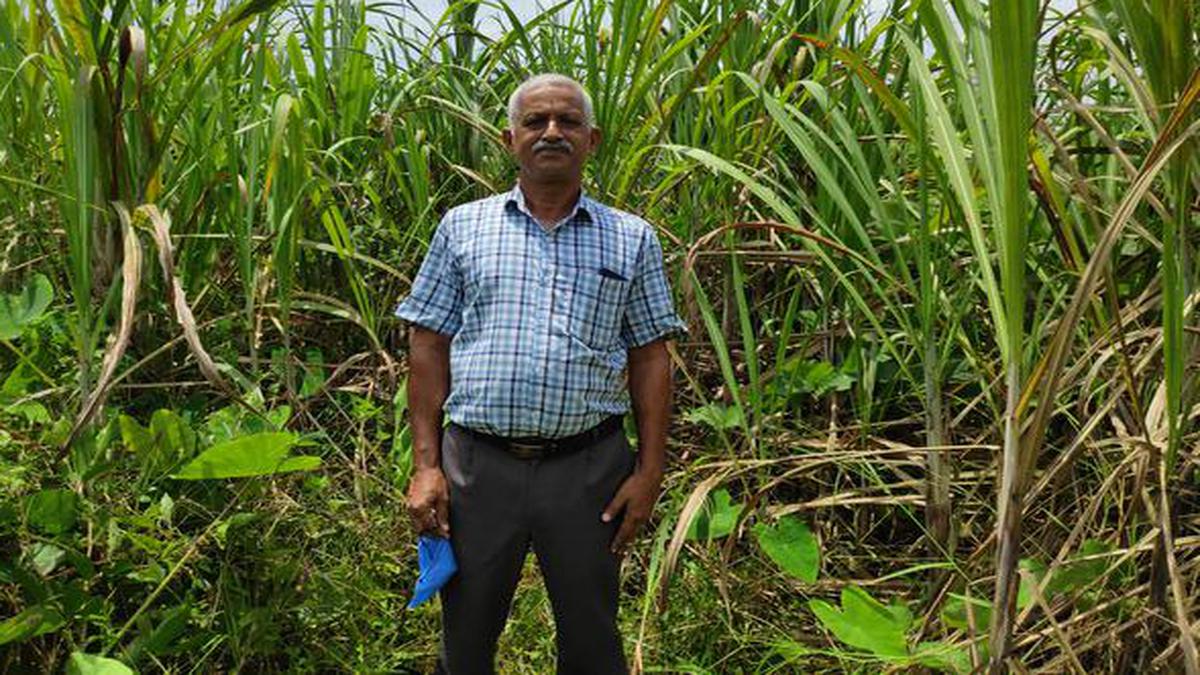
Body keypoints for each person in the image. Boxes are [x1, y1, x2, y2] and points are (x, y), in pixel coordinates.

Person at [394, 73, 687, 675]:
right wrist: (426, 466)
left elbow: (651, 356)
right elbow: (428, 342)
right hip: (476, 468)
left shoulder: (630, 239)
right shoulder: (463, 227)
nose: (551, 132)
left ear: (592, 139)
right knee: (467, 637)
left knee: (591, 638)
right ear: (510, 139)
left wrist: (650, 472)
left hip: (589, 474)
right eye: (535, 122)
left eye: (567, 122)